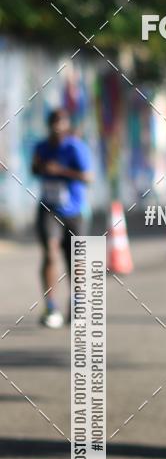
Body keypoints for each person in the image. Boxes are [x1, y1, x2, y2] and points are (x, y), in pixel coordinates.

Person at [32, 108, 93, 328]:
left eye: (61, 121)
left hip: (75, 212)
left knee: (76, 261)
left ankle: (76, 303)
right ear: (49, 125)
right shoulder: (41, 147)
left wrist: (61, 170)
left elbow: (88, 177)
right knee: (50, 252)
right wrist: (40, 167)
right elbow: (34, 169)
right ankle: (50, 306)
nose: (57, 126)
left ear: (66, 124)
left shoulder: (75, 147)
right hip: (49, 208)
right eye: (54, 122)